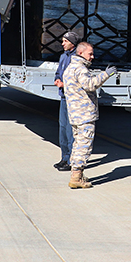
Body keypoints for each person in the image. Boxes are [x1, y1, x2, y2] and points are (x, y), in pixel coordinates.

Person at [63, 41, 117, 189]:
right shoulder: (80, 69)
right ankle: (76, 177)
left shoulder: (70, 68)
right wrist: (106, 74)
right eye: (90, 54)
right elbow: (90, 84)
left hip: (75, 113)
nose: (92, 57)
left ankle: (77, 173)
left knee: (77, 144)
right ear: (80, 53)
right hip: (84, 114)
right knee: (84, 146)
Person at [53, 31, 80, 172]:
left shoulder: (77, 58)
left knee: (70, 131)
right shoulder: (63, 56)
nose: (62, 43)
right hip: (63, 97)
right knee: (62, 128)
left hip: (72, 98)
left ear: (72, 43)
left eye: (65, 41)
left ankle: (71, 161)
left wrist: (66, 84)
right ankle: (64, 157)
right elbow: (58, 72)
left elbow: (78, 78)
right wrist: (57, 79)